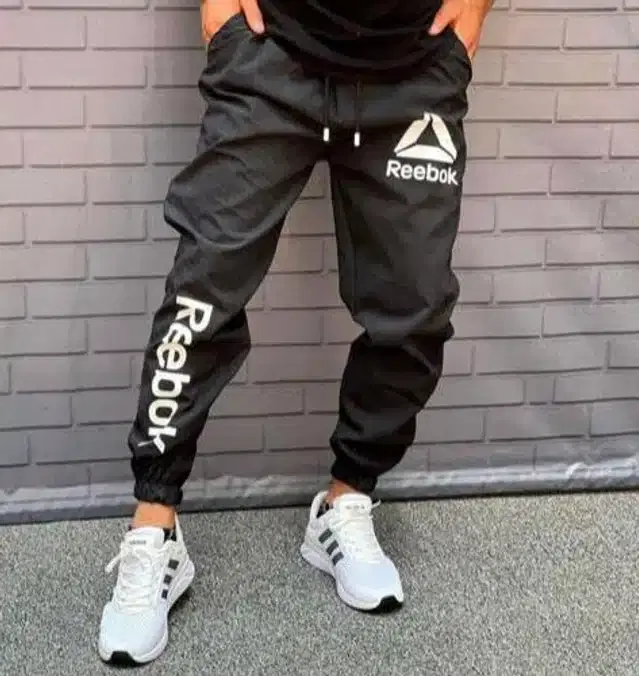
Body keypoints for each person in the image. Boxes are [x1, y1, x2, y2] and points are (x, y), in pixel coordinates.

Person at [98, 0, 493, 664]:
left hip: (416, 67)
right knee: (202, 292)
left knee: (414, 308)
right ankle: (155, 524)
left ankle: (346, 501)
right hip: (269, 53)